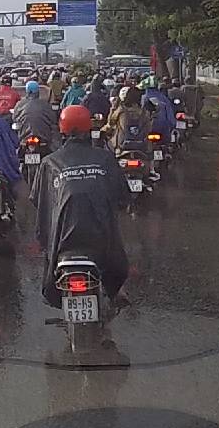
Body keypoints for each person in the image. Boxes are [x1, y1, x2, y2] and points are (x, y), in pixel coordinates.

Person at [30, 105, 131, 308]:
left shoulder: (49, 163)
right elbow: (123, 196)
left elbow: (38, 200)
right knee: (115, 272)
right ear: (89, 128)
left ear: (62, 130)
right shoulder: (105, 159)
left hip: (62, 243)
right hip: (101, 241)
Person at [13, 80, 61, 149]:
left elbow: (14, 118)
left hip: (24, 138)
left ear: (27, 92)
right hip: (44, 138)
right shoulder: (45, 104)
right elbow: (53, 119)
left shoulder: (20, 104)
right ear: (38, 92)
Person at [105, 85, 151, 152]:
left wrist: (113, 108)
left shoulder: (121, 110)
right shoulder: (144, 112)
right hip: (140, 146)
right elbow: (148, 128)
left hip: (121, 145)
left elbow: (111, 122)